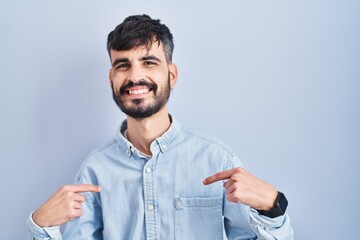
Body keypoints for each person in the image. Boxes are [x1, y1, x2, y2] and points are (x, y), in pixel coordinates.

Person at [27, 14, 294, 240]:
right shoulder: (94, 172)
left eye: (149, 62)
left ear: (172, 74)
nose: (134, 76)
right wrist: (40, 227)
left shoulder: (216, 160)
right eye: (123, 65)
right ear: (111, 79)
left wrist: (273, 207)